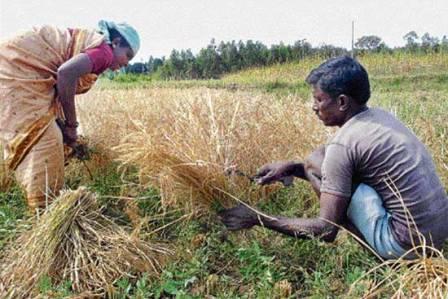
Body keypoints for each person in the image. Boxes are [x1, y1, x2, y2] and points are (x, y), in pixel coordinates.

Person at [220, 56, 448, 260]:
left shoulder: (343, 144)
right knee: (316, 161)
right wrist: (293, 168)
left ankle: (382, 256)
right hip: (437, 234)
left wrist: (258, 217)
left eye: (319, 100)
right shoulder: (380, 117)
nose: (314, 107)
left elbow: (325, 230)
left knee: (316, 164)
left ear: (341, 102)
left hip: (406, 246)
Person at [0, 20, 139, 212]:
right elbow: (65, 74)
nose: (126, 63)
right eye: (128, 55)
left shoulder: (96, 48)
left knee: (48, 134)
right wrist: (72, 126)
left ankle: (43, 206)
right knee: (46, 142)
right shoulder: (104, 52)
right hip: (18, 69)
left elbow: (60, 85)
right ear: (115, 43)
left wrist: (63, 124)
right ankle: (45, 211)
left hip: (14, 64)